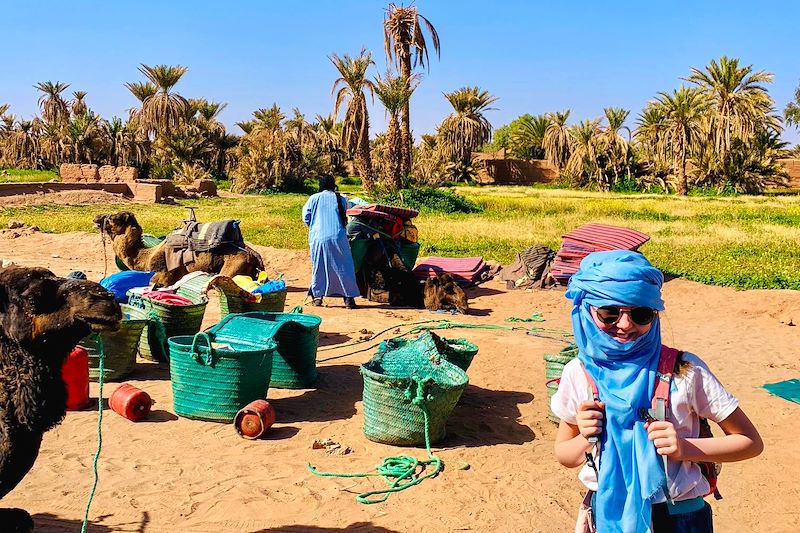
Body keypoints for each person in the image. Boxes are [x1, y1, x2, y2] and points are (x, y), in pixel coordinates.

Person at [551, 250, 763, 533]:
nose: (625, 325)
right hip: (607, 516)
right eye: (609, 313)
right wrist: (585, 440)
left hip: (681, 518)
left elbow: (750, 441)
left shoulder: (685, 370)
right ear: (586, 310)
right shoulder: (578, 373)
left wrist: (685, 448)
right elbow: (565, 454)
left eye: (640, 314)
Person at [302, 175, 359, 309]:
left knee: (319, 266)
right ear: (333, 185)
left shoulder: (313, 198)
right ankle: (348, 298)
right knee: (344, 266)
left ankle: (317, 297)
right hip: (338, 237)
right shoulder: (341, 198)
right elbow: (349, 211)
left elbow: (306, 217)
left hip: (318, 238)